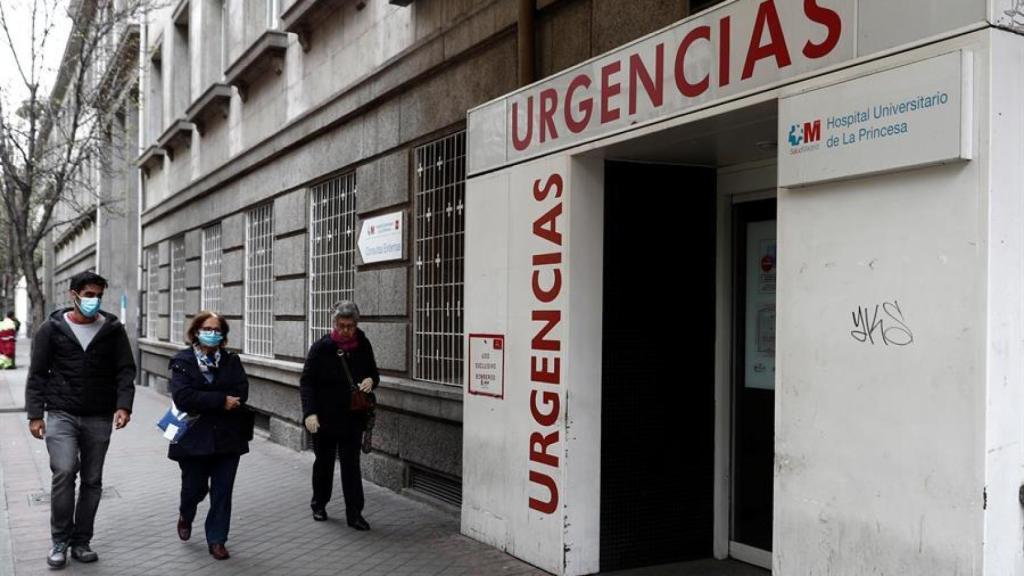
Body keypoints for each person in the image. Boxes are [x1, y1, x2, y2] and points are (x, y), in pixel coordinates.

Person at [24, 271, 135, 569]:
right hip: (61, 413)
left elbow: (125, 370)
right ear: (73, 295)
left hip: (99, 415)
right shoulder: (52, 329)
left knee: (92, 480)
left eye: (98, 295)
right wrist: (35, 414)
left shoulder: (112, 329)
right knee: (63, 470)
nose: (94, 300)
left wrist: (124, 405)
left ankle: (81, 541)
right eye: (88, 295)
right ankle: (60, 540)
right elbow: (37, 374)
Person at [167, 311, 251, 560]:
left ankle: (217, 539)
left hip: (228, 436)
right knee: (195, 488)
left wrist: (211, 400)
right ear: (196, 332)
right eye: (208, 328)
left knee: (223, 491)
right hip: (193, 437)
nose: (212, 334)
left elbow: (241, 391)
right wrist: (220, 400)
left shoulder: (231, 361)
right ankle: (186, 512)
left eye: (218, 330)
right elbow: (182, 397)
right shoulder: (182, 361)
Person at [300, 300, 379, 530]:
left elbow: (373, 372)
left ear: (356, 324)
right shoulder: (321, 348)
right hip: (324, 418)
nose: (346, 330)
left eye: (350, 326)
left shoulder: (363, 344)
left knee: (351, 466)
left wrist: (370, 380)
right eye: (342, 325)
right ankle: (319, 504)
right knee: (323, 463)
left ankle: (355, 513)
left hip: (353, 417)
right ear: (334, 323)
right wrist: (310, 413)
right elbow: (307, 383)